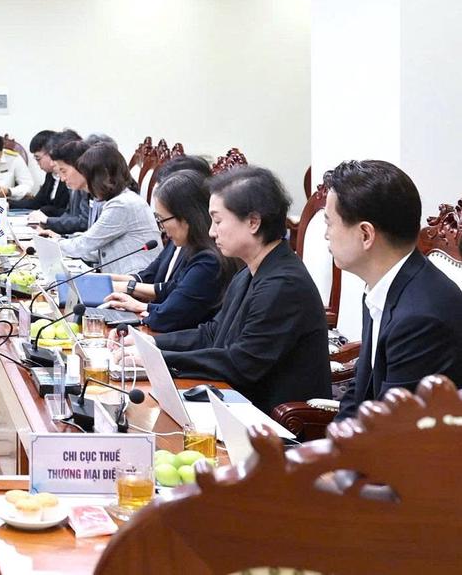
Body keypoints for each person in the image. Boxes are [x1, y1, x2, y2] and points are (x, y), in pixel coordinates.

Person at [124, 166, 331, 413]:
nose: (211, 231)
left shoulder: (284, 284)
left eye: (218, 221)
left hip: (270, 420)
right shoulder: (250, 270)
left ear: (253, 222)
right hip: (234, 400)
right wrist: (151, 344)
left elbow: (241, 364)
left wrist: (158, 359)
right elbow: (213, 334)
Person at [323, 160, 462, 421]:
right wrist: (332, 439)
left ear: (366, 234)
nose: (326, 235)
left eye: (329, 223)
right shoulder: (381, 287)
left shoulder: (420, 318)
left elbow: (394, 429)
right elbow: (359, 393)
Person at [100, 170, 230, 332]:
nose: (160, 228)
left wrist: (140, 304)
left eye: (162, 220)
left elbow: (167, 316)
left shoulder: (209, 261)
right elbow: (169, 287)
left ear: (186, 217)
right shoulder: (188, 246)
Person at [44, 143, 159, 275]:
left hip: (134, 279)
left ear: (100, 176)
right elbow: (95, 248)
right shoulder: (110, 200)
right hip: (117, 275)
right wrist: (60, 242)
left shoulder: (121, 204)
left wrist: (49, 246)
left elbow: (85, 244)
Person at [32, 136, 92, 234]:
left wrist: (48, 221)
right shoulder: (78, 185)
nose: (63, 179)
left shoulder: (94, 192)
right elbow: (68, 214)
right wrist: (50, 226)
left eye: (64, 171)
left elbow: (84, 223)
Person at [10, 131, 70, 215]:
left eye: (38, 159)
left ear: (51, 152)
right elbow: (36, 203)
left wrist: (46, 211)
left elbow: (69, 212)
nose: (38, 164)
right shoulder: (50, 175)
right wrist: (9, 203)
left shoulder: (69, 177)